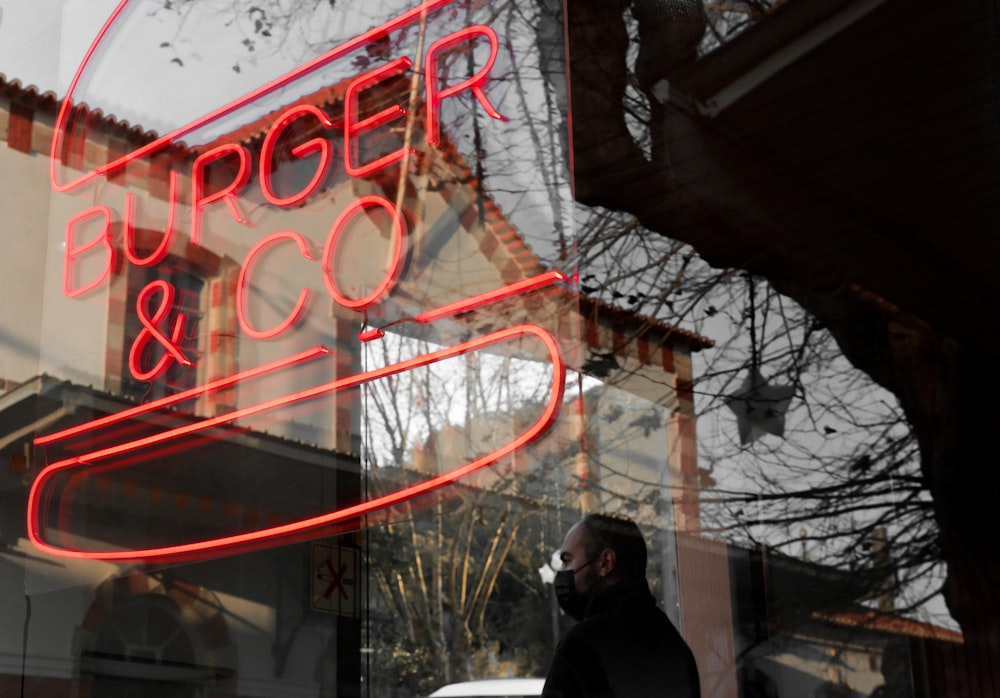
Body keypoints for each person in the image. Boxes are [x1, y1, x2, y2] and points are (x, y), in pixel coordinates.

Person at [543, 513, 701, 697]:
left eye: (567, 560)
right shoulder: (674, 646)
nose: (563, 572)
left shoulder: (582, 647)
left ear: (606, 562)